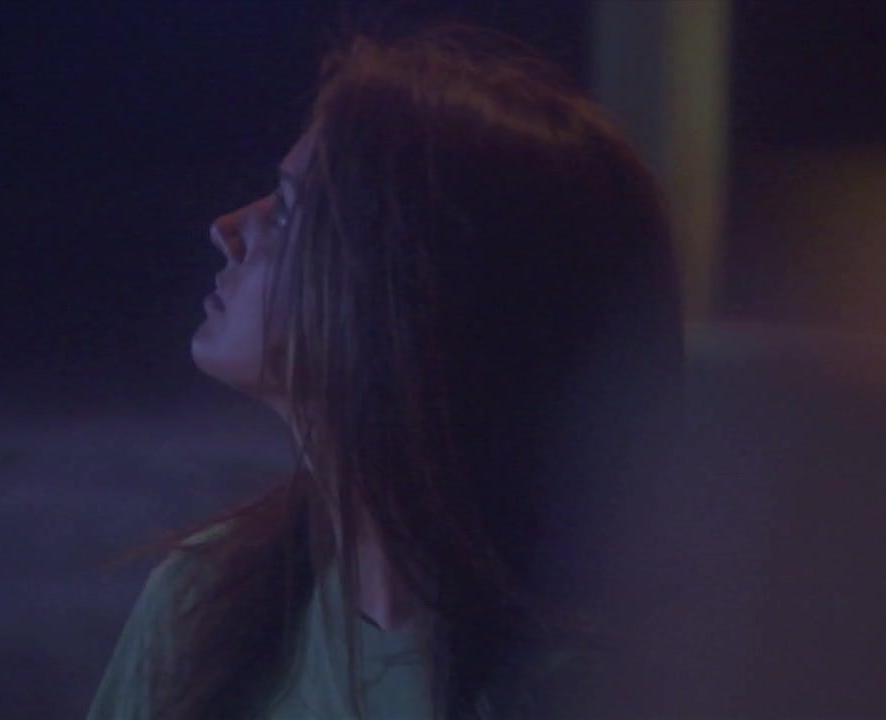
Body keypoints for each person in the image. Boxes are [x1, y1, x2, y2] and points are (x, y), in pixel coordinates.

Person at [87, 22, 685, 720]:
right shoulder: (200, 605)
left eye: (287, 213)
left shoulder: (601, 687)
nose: (227, 228)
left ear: (412, 288)